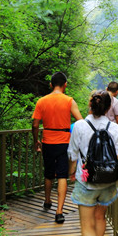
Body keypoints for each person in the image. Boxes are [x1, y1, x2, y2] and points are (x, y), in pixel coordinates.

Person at [67, 90, 118, 236]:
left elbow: (72, 154)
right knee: (100, 218)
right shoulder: (115, 128)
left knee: (86, 225)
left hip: (86, 182)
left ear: (90, 105)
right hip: (108, 181)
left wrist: (71, 171)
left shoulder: (80, 126)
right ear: (109, 107)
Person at [32, 72, 83, 224]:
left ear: (50, 84)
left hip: (47, 141)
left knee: (48, 173)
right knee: (61, 175)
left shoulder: (41, 101)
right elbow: (80, 121)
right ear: (65, 84)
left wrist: (36, 142)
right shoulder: (69, 101)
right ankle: (59, 212)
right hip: (64, 142)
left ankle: (47, 201)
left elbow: (35, 125)